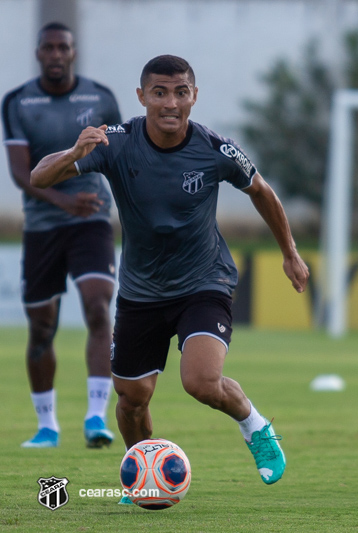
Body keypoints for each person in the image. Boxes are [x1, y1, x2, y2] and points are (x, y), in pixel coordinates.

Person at [30, 55, 309, 499]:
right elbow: (38, 175)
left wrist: (290, 254)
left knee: (200, 382)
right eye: (159, 92)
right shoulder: (114, 142)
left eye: (181, 92)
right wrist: (74, 153)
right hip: (141, 291)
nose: (170, 103)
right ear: (142, 97)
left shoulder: (216, 149)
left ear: (194, 96)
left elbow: (261, 191)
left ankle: (255, 427)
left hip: (204, 281)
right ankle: (144, 473)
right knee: (132, 397)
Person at [2, 22, 120, 449]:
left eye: (63, 47)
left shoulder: (101, 98)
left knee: (96, 306)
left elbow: (120, 158)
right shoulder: (17, 101)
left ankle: (95, 419)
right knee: (42, 327)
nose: (56, 54)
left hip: (92, 220)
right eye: (48, 47)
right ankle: (47, 425)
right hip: (43, 226)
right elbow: (20, 172)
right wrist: (64, 201)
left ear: (73, 53)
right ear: (38, 54)